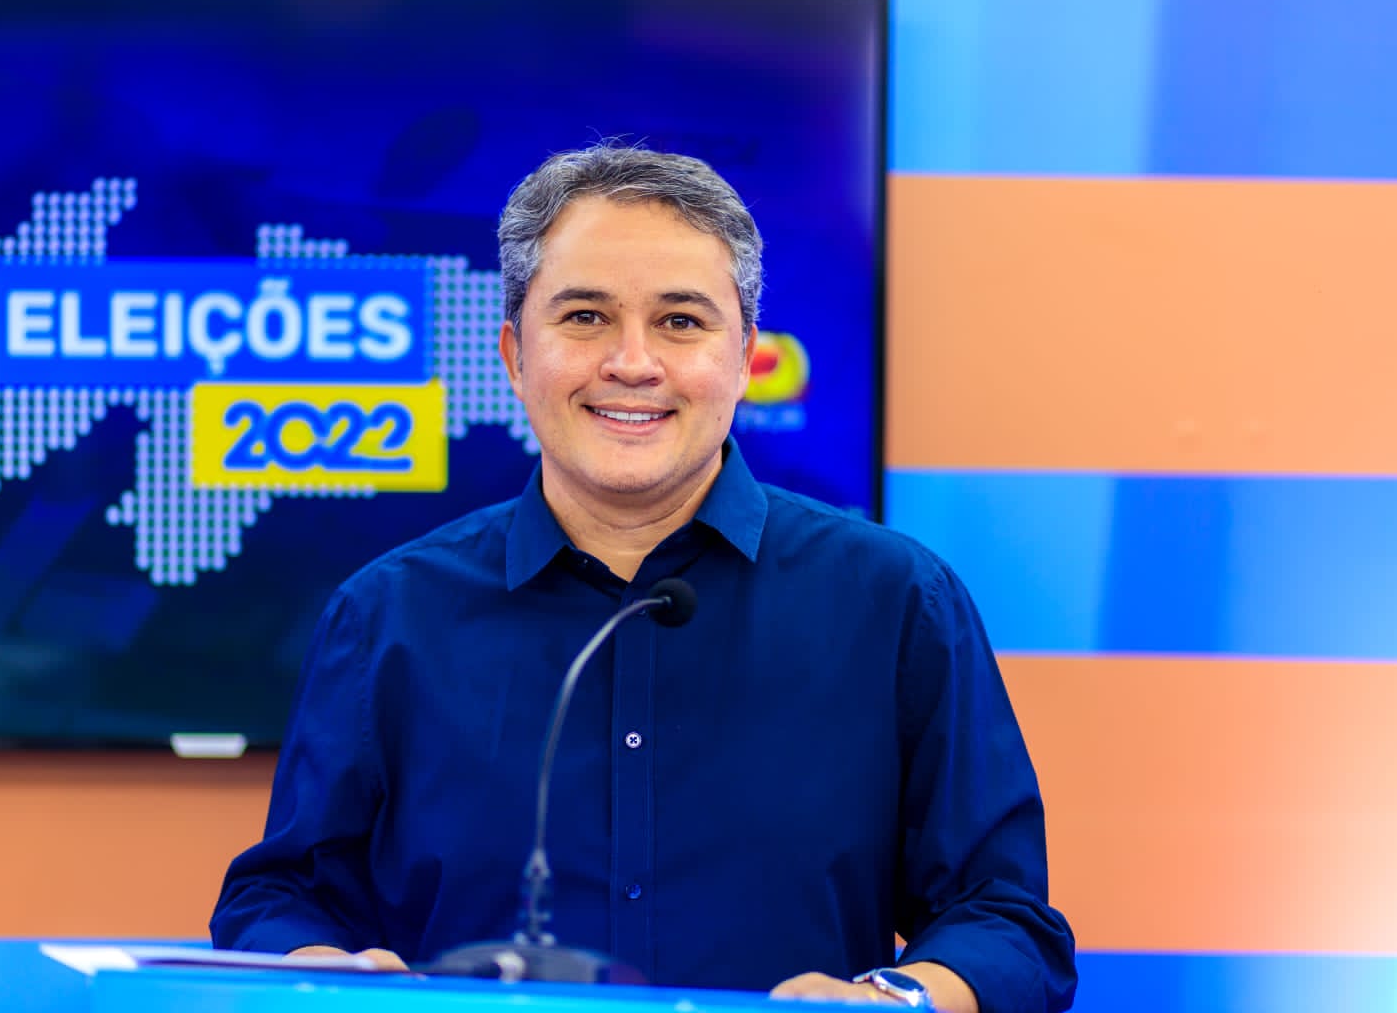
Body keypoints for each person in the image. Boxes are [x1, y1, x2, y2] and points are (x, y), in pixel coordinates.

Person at [211, 143, 1076, 1013]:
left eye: (681, 321)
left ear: (745, 356)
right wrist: (323, 971)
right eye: (585, 316)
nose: (632, 362)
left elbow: (1005, 920)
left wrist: (897, 998)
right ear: (514, 355)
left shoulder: (896, 603)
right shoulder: (387, 614)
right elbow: (280, 896)